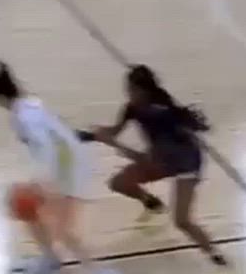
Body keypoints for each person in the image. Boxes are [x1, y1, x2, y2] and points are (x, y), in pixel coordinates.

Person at [87, 66, 228, 267]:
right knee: (118, 183)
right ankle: (151, 202)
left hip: (186, 163)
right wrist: (99, 133)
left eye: (132, 90)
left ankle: (214, 253)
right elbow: (115, 130)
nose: (129, 94)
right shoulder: (132, 108)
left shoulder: (161, 116)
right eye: (128, 90)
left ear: (144, 91)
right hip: (162, 158)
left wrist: (113, 144)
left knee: (182, 221)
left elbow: (144, 159)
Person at [0, 65, 116, 274]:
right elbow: (60, 136)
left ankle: (96, 269)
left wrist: (47, 180)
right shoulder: (28, 107)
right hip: (64, 164)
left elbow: (49, 146)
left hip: (68, 168)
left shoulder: (26, 116)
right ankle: (50, 258)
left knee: (58, 223)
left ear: (0, 95)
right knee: (24, 206)